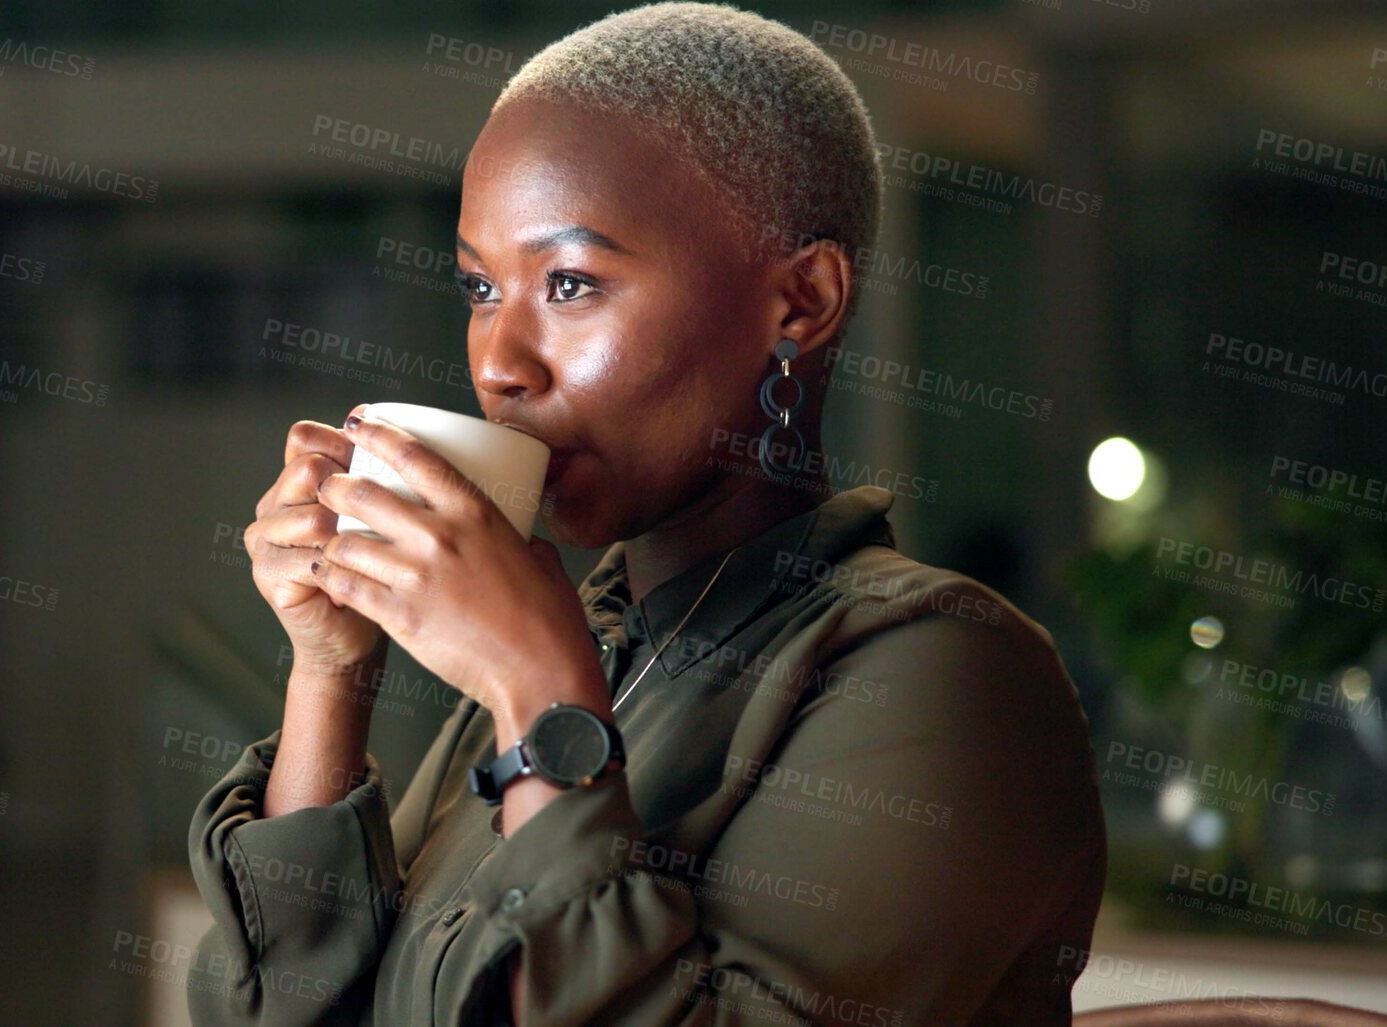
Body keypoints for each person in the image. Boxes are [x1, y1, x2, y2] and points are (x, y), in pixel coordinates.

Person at [186, 4, 1106, 1024]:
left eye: (571, 283)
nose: (498, 362)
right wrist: (332, 666)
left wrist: (539, 694)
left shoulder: (952, 670)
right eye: (481, 287)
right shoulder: (587, 648)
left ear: (800, 302)